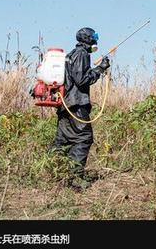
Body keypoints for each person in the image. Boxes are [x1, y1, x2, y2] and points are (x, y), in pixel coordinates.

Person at [52, 27, 110, 190]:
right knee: (83, 138)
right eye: (94, 37)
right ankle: (75, 179)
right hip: (76, 105)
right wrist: (100, 69)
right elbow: (82, 79)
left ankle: (54, 174)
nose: (96, 40)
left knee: (63, 140)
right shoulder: (81, 54)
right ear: (87, 39)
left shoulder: (71, 54)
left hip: (65, 105)